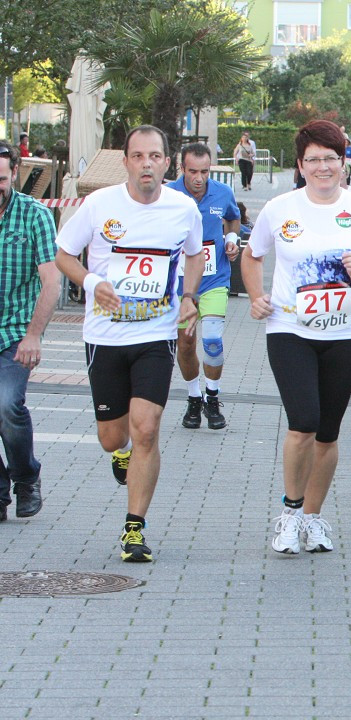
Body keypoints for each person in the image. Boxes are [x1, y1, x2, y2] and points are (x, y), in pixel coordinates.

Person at [242, 120, 351, 554]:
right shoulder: (280, 208)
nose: (322, 167)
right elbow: (252, 257)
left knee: (327, 432)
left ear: (344, 162)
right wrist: (255, 296)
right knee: (303, 420)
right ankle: (289, 514)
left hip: (345, 333)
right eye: (313, 160)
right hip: (290, 330)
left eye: (330, 158)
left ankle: (313, 517)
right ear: (300, 165)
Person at [54, 125, 204, 562]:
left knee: (147, 428)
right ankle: (119, 454)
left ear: (166, 162)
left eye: (154, 156)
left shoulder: (182, 208)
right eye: (137, 156)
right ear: (125, 162)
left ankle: (134, 529)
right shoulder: (99, 205)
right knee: (111, 436)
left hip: (155, 334)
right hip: (104, 335)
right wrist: (92, 280)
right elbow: (64, 252)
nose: (146, 164)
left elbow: (195, 254)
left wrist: (188, 296)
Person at [0, 140, 60, 522]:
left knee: (6, 405)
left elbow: (51, 282)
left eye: (1, 178)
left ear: (14, 173)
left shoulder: (34, 215)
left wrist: (34, 335)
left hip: (14, 333)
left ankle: (26, 477)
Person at [167, 142, 241, 431]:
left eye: (205, 172)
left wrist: (232, 240)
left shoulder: (222, 193)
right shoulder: (168, 195)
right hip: (179, 284)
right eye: (193, 171)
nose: (199, 178)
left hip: (214, 279)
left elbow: (234, 219)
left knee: (212, 341)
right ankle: (193, 397)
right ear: (182, 169)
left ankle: (212, 394)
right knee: (185, 344)